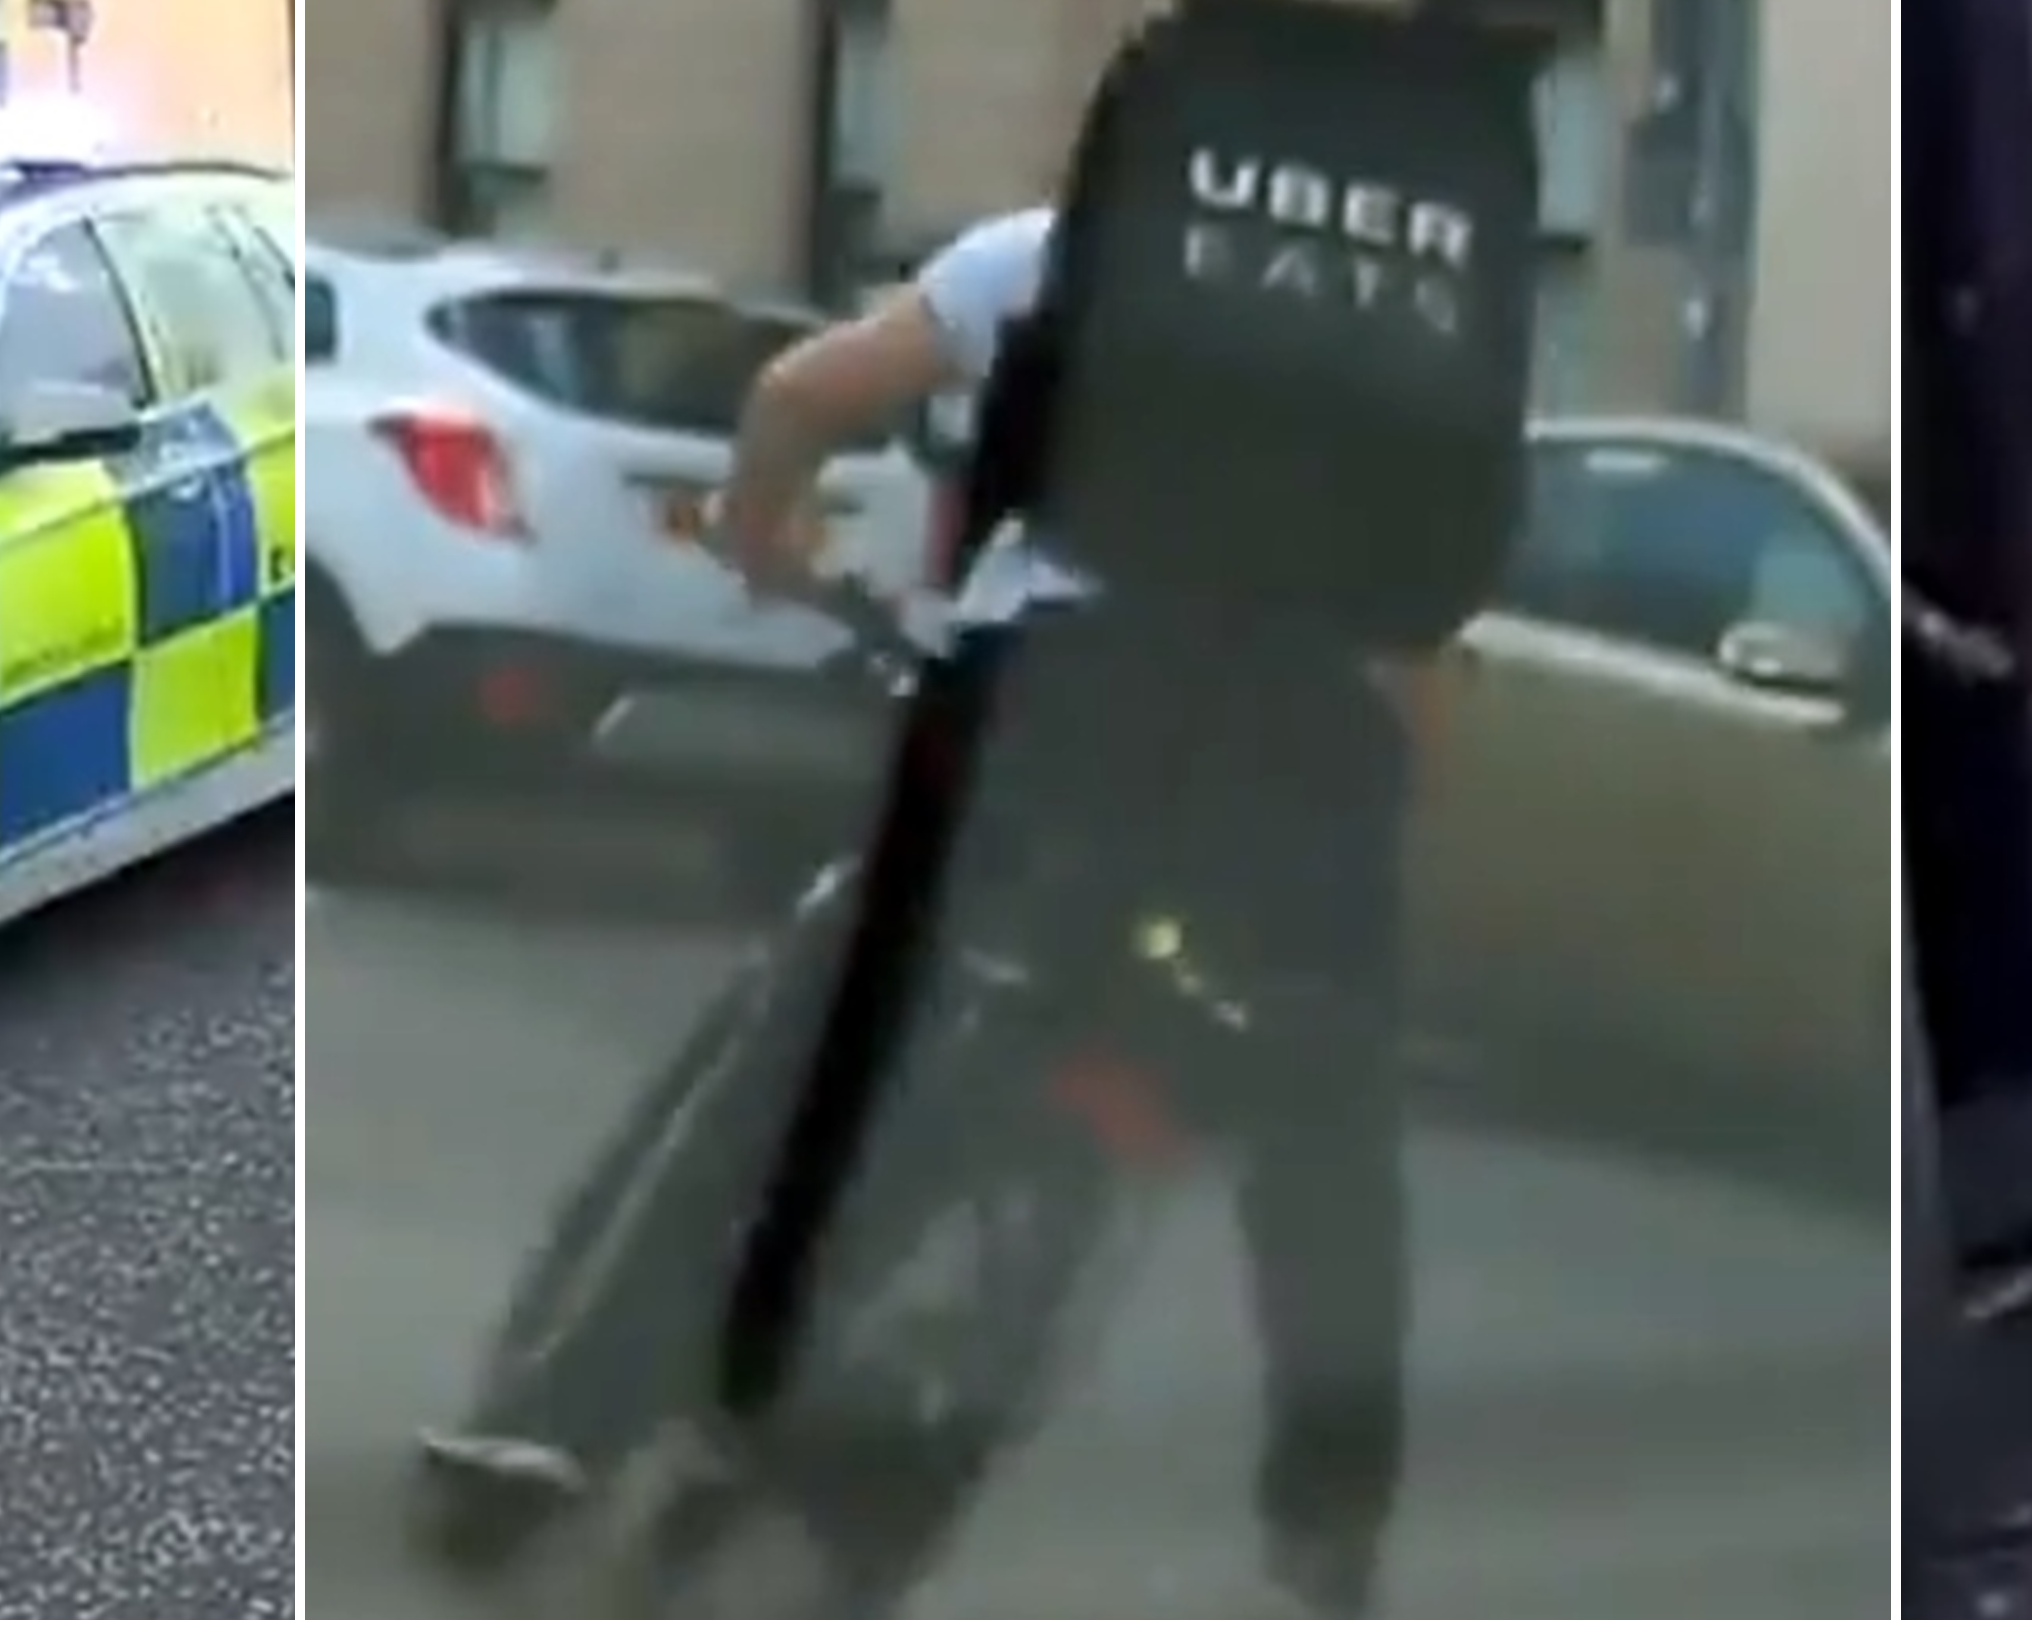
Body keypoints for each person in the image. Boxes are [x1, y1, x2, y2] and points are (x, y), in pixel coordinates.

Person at [414, 207, 1435, 1619]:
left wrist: (755, 525)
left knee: (795, 1045)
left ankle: (561, 1422)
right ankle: (1327, 1529)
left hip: (1052, 719)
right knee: (1316, 1127)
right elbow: (1423, 643)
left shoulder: (1060, 246)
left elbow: (799, 395)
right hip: (1292, 780)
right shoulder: (1408, 312)